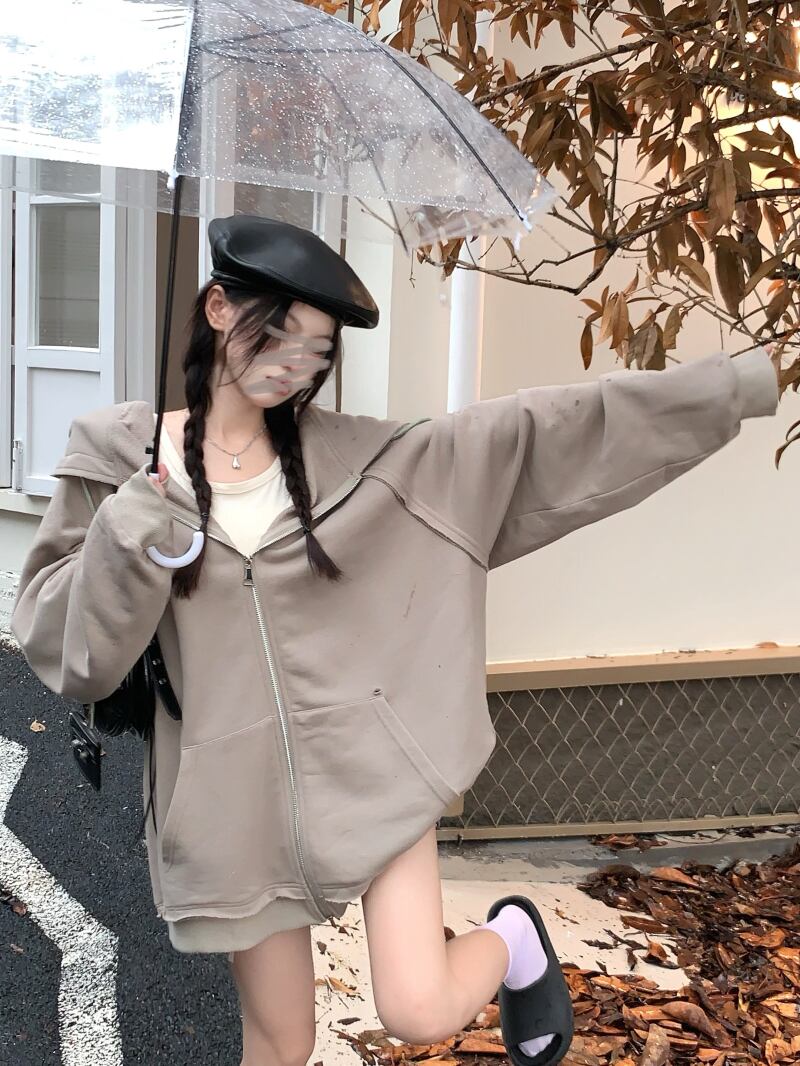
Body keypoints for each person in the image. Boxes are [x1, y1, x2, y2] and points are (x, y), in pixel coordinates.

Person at [10, 214, 780, 1066]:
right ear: (218, 308)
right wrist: (126, 532)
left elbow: (540, 434)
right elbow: (73, 656)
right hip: (232, 805)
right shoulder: (118, 461)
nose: (296, 364)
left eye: (317, 348)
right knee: (281, 1040)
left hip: (369, 771)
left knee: (419, 1008)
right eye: (279, 332)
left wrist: (748, 379)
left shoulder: (371, 463)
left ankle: (513, 940)